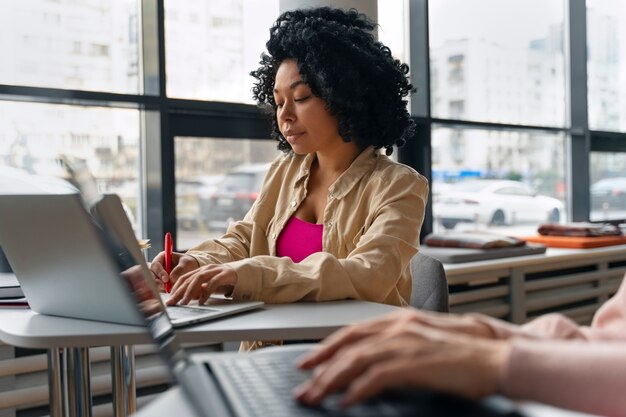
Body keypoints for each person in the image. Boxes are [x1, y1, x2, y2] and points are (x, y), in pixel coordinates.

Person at [150, 7, 428, 349]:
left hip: (358, 364)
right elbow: (245, 238)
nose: (285, 115)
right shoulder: (282, 172)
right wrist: (197, 260)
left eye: (300, 98)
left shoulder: (401, 186)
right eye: (278, 101)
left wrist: (248, 274)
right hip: (268, 356)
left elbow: (368, 273)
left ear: (345, 96)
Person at [294, 273, 626, 417]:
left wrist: (497, 362)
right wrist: (488, 335)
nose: (284, 122)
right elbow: (610, 340)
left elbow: (367, 272)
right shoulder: (284, 179)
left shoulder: (397, 184)